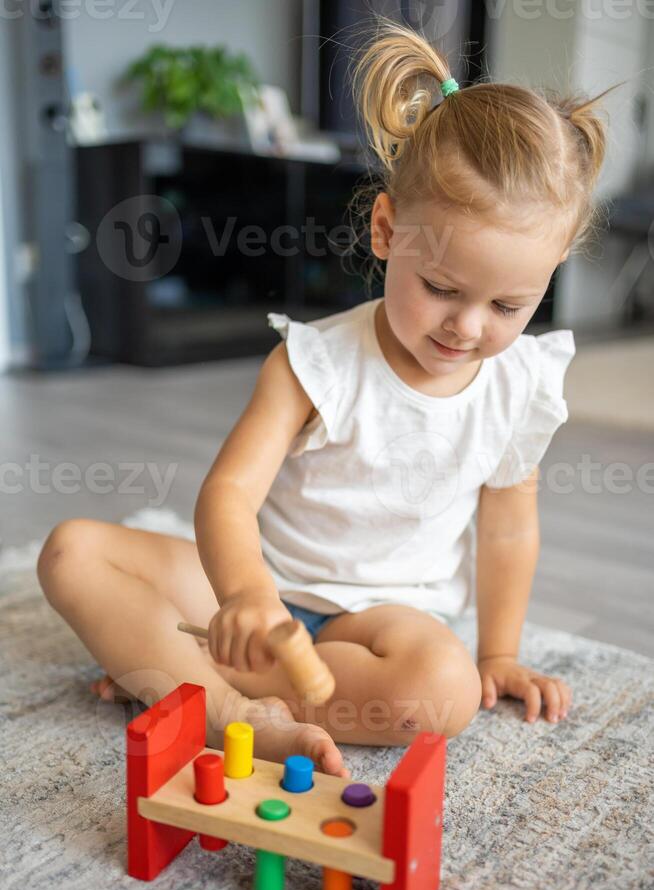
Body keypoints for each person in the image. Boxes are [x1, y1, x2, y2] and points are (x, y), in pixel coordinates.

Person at [37, 21, 609, 778]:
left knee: (447, 691)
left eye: (509, 306)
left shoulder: (519, 386)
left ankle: (185, 681)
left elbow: (508, 530)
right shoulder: (315, 364)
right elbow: (229, 496)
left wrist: (499, 654)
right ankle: (230, 706)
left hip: (383, 625)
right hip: (260, 592)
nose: (467, 327)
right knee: (72, 552)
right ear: (385, 229)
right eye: (441, 288)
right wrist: (245, 599)